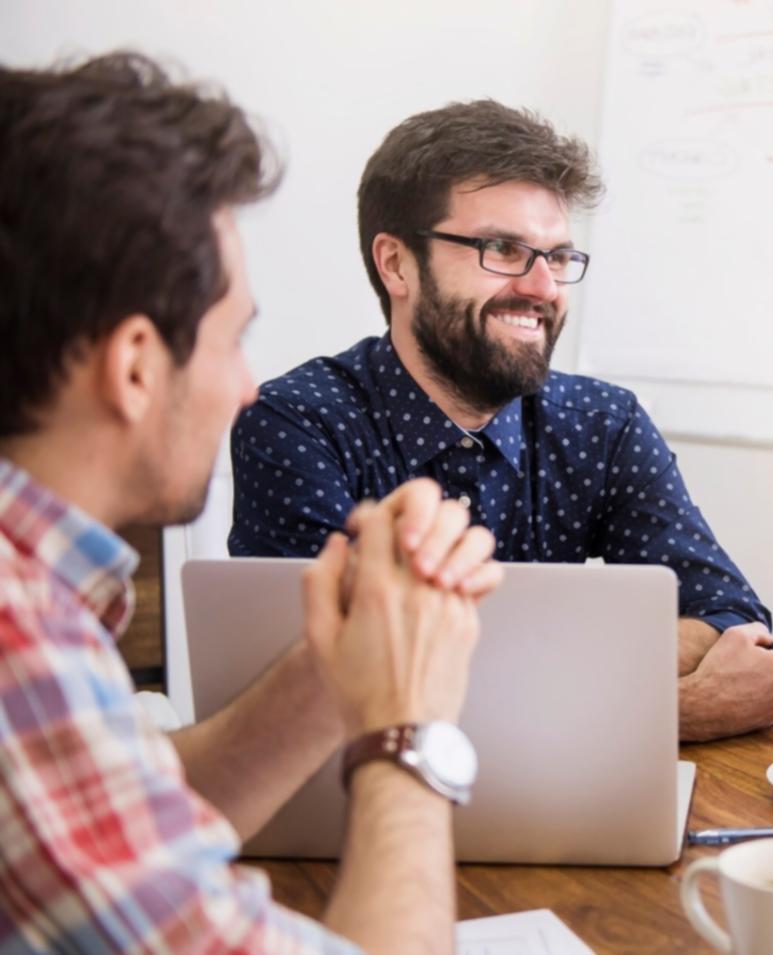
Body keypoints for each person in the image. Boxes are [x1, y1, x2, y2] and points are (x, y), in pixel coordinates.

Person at [1, 53, 503, 952]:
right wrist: (407, 739)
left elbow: (119, 808)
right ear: (136, 365)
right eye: (234, 340)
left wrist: (336, 659)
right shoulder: (16, 642)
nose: (245, 386)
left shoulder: (34, 609)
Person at [227, 100, 773, 742]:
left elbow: (730, 623)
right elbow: (326, 695)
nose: (544, 288)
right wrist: (663, 712)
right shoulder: (298, 424)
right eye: (502, 249)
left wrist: (501, 681)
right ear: (396, 264)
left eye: (557, 257)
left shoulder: (602, 424)